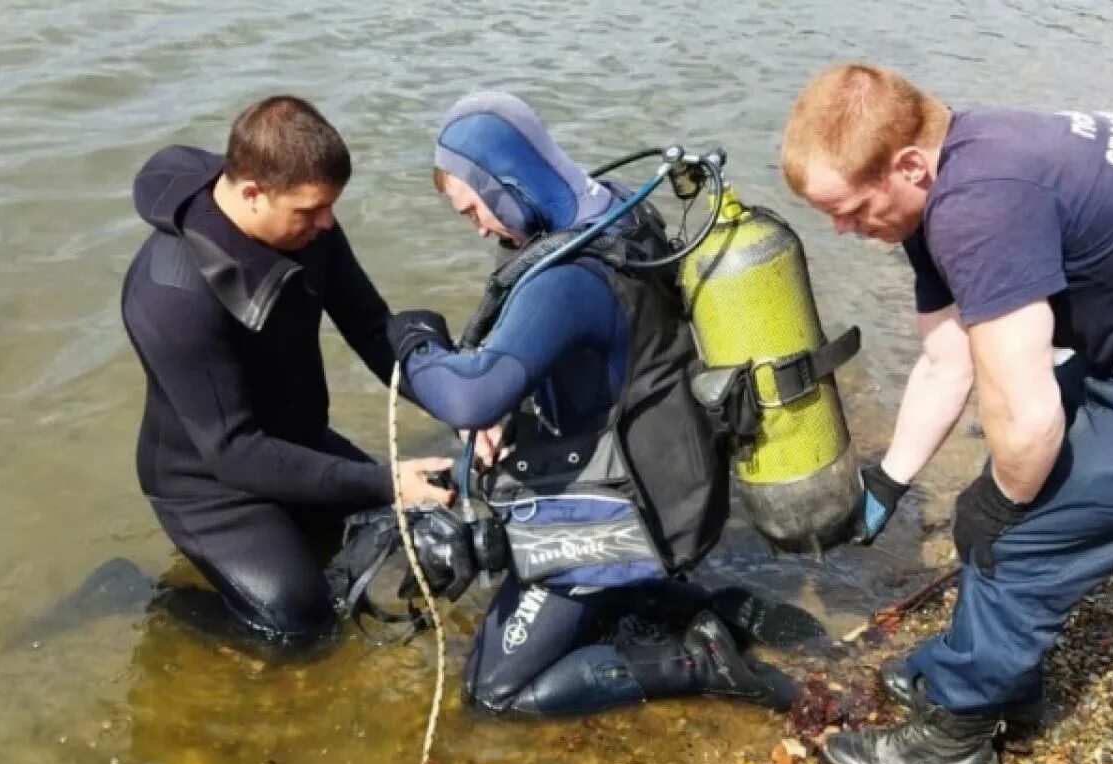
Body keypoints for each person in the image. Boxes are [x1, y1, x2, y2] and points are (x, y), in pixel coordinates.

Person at [385, 91, 819, 718]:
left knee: (492, 694)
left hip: (627, 517)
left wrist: (413, 342)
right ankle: (701, 606)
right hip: (675, 489)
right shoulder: (617, 215)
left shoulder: (568, 276)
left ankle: (698, 662)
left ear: (504, 184)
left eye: (473, 208)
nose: (479, 226)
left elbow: (468, 392)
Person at [781, 63, 1113, 764]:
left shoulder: (979, 207)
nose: (843, 230)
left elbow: (1029, 417)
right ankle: (998, 678)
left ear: (909, 163)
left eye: (848, 207)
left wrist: (1000, 508)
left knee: (1021, 537)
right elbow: (949, 358)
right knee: (1009, 494)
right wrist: (888, 481)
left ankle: (955, 740)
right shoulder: (950, 175)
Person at [120, 95, 453, 648]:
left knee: (413, 532)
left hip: (296, 439)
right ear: (253, 193)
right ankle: (151, 597)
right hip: (210, 484)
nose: (327, 224)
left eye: (330, 207)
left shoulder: (308, 223)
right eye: (310, 211)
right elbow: (236, 451)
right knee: (301, 626)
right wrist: (388, 482)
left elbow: (372, 328)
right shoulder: (172, 295)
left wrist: (462, 402)